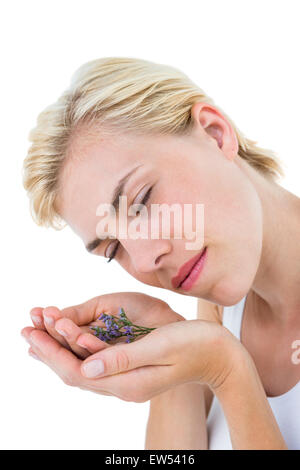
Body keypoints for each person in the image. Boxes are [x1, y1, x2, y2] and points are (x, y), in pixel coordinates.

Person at [21, 57, 300, 450]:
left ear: (215, 133)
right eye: (113, 248)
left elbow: (221, 363)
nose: (146, 260)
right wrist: (170, 354)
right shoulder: (220, 311)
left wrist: (227, 371)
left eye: (141, 202)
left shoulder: (219, 335)